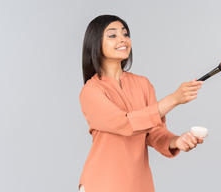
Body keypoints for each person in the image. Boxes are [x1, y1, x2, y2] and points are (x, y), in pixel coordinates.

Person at [78, 15, 205, 192]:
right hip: (102, 183)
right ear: (95, 44)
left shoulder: (143, 84)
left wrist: (176, 141)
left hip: (139, 184)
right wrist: (173, 99)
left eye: (125, 34)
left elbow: (153, 133)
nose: (123, 39)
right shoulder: (91, 91)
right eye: (112, 35)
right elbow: (125, 123)